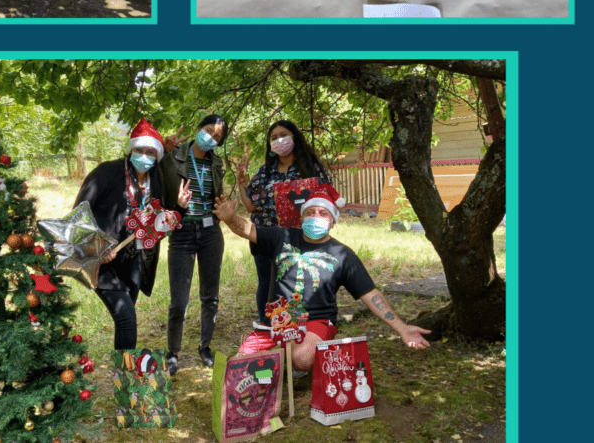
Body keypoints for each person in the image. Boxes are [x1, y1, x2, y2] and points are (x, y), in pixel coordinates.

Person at [214, 184, 431, 375]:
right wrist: (230, 218)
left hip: (315, 324)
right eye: (310, 212)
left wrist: (402, 328)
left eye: (322, 213)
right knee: (237, 366)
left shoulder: (343, 255)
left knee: (302, 358)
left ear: (333, 221)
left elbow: (370, 294)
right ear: (302, 217)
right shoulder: (283, 236)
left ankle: (280, 361)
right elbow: (247, 229)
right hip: (277, 323)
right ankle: (277, 361)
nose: (315, 217)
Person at [73, 118, 189, 350]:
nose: (144, 156)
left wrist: (179, 209)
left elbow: (157, 224)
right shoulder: (106, 171)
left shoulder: (155, 178)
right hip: (104, 264)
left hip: (135, 263)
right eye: (139, 150)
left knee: (126, 320)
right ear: (130, 150)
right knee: (127, 320)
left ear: (156, 156)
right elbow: (79, 214)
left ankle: (124, 377)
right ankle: (126, 382)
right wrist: (97, 247)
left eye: (150, 152)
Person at [234, 120, 331, 331]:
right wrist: (242, 183)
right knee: (267, 283)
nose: (279, 140)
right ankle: (267, 326)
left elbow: (327, 198)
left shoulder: (310, 168)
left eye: (283, 134)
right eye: (274, 137)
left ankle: (296, 329)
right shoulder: (264, 172)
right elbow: (250, 206)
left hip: (298, 237)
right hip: (264, 236)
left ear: (294, 137)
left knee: (295, 283)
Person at [159, 114, 228, 375]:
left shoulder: (217, 164)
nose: (211, 137)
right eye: (208, 130)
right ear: (198, 128)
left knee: (210, 296)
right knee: (179, 300)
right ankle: (173, 352)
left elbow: (217, 196)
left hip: (211, 232)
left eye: (217, 137)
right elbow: (148, 172)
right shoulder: (173, 156)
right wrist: (162, 150)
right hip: (182, 232)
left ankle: (205, 346)